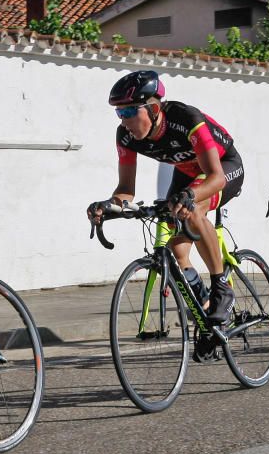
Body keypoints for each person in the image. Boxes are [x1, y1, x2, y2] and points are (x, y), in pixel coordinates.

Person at [88, 70, 244, 325]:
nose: (123, 120)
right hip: (187, 174)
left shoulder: (186, 118)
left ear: (152, 108)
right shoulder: (125, 136)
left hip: (223, 168)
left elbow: (215, 177)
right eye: (119, 113)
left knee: (193, 210)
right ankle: (205, 309)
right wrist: (109, 205)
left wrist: (191, 195)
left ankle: (221, 289)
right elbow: (126, 188)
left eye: (128, 112)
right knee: (177, 250)